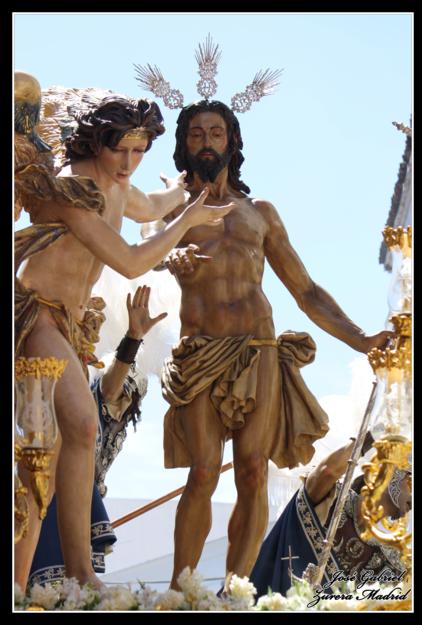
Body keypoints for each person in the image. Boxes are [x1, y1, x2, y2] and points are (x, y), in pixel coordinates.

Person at [159, 99, 394, 590]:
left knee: (252, 472)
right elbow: (143, 251)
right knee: (203, 471)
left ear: (232, 142)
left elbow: (305, 291)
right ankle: (181, 593)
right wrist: (171, 256)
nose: (206, 142)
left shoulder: (259, 213)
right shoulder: (172, 210)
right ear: (184, 145)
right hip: (201, 351)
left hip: (259, 348)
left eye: (216, 133)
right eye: (197, 134)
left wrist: (362, 339)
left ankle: (236, 590)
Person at [14, 75, 236, 592]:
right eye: (121, 149)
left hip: (70, 327)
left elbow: (151, 206)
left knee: (55, 451)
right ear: (97, 142)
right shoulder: (74, 188)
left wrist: (180, 190)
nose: (129, 162)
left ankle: (53, 577)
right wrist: (188, 220)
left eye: (139, 151)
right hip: (35, 316)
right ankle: (57, 576)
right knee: (73, 432)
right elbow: (131, 261)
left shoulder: (115, 184)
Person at [28, 285, 162, 588]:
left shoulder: (91, 397)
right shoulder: (37, 371)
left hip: (70, 508)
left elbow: (111, 388)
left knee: (66, 591)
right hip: (34, 499)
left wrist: (133, 338)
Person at [249, 437, 411, 598]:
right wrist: (369, 436)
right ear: (391, 473)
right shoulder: (333, 498)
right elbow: (327, 471)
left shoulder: (391, 559)